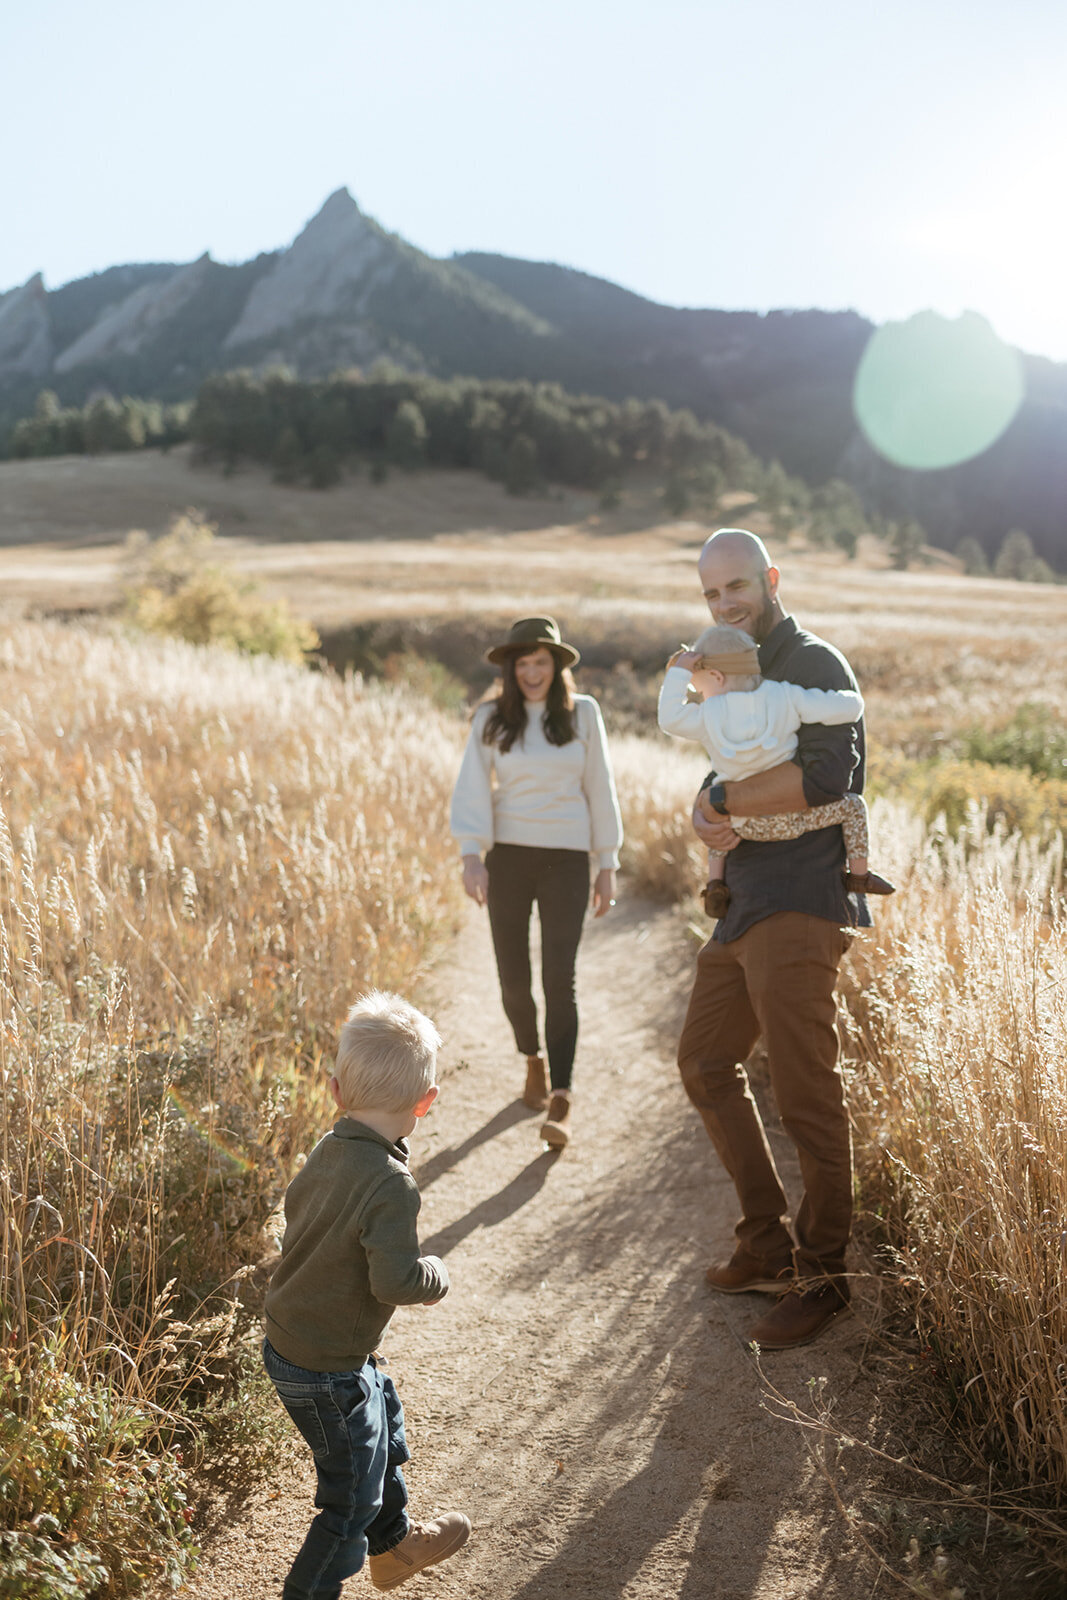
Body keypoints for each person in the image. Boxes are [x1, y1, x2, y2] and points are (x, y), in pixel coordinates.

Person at [676, 528, 879, 1351]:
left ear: (769, 578)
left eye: (736, 587)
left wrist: (723, 800)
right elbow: (720, 764)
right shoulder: (727, 671)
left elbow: (829, 777)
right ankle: (765, 1244)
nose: (725, 604)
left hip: (800, 899)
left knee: (803, 1095)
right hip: (742, 899)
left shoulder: (816, 665)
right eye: (711, 594)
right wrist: (704, 802)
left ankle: (825, 1278)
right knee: (703, 1061)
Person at [262, 991, 471, 1597]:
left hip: (292, 1343)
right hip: (324, 1368)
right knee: (350, 1498)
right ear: (425, 1104)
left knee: (382, 1410)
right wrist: (435, 1274)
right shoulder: (392, 1184)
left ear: (335, 1092)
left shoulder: (328, 1149)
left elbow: (297, 1220)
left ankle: (395, 1546)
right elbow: (393, 1281)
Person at [449, 616, 622, 1150]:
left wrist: (608, 861)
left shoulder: (583, 714)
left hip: (568, 859)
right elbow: (473, 787)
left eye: (540, 662)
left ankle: (563, 1095)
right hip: (509, 858)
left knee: (558, 977)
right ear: (510, 668)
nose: (530, 672)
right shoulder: (489, 719)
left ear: (556, 666)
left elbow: (601, 786)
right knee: (512, 977)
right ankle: (533, 1058)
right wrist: (472, 855)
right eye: (522, 663)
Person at [658, 620, 894, 919]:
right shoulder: (787, 696)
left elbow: (669, 719)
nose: (700, 695)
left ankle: (715, 883)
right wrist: (850, 697)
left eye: (699, 688)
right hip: (794, 818)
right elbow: (850, 708)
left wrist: (680, 673)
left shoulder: (707, 714)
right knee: (854, 807)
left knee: (716, 803)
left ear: (716, 677)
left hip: (742, 825)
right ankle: (859, 877)